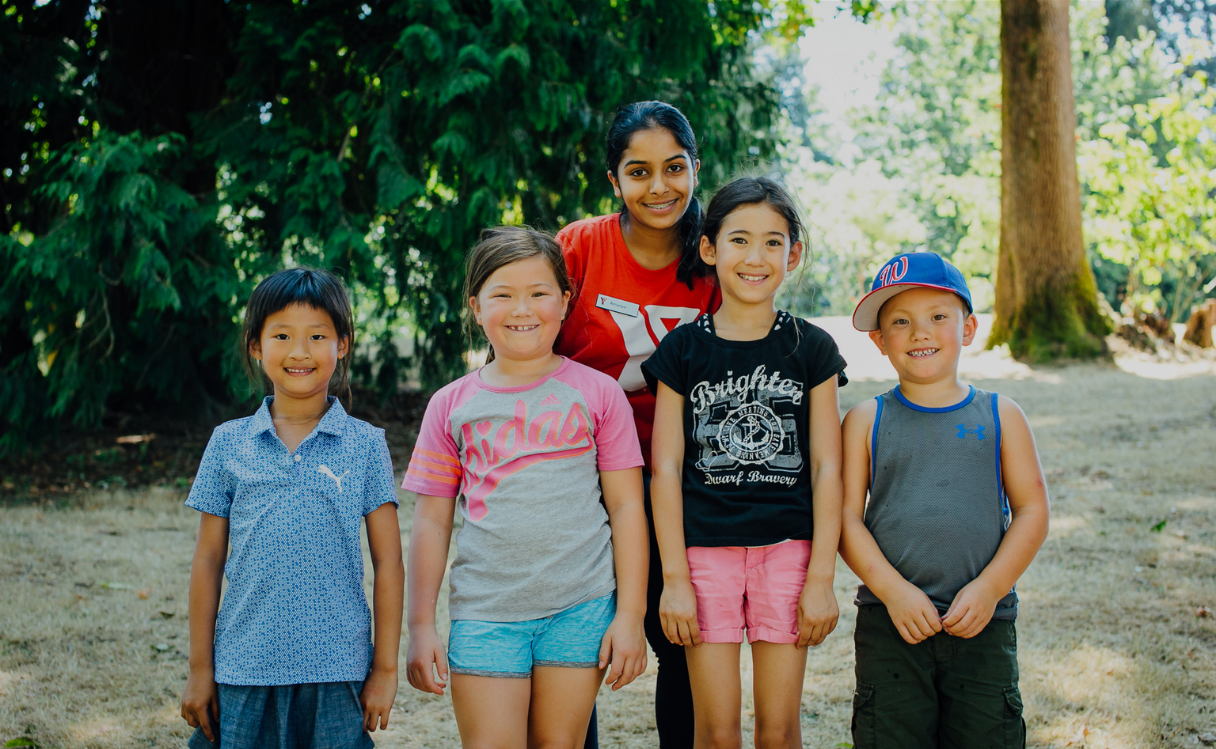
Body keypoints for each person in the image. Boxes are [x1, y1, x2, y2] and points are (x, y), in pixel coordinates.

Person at [403, 226, 650, 749]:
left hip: (580, 606)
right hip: (486, 611)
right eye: (503, 294)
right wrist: (420, 625)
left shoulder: (599, 394)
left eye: (539, 293)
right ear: (475, 305)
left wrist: (630, 615)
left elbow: (628, 508)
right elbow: (430, 519)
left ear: (565, 301)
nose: (523, 308)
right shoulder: (451, 405)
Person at [642, 176, 847, 749]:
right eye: (739, 240)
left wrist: (822, 578)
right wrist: (675, 579)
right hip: (705, 556)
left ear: (793, 254)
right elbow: (665, 471)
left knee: (779, 731)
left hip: (789, 553)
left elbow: (829, 468)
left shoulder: (813, 349)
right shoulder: (682, 351)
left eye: (773, 242)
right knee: (715, 730)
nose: (755, 257)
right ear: (709, 249)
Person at [180, 268, 404, 749]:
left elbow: (389, 563)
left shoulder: (365, 445)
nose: (299, 351)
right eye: (281, 335)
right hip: (244, 662)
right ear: (256, 346)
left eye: (317, 336)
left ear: (341, 345)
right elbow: (207, 560)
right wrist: (201, 669)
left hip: (337, 667)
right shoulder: (228, 443)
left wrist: (384, 669)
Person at [554, 100, 720, 748]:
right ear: (613, 180)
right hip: (581, 477)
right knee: (579, 637)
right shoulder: (579, 246)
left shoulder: (713, 254)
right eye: (640, 171)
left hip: (681, 479)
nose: (659, 187)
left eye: (674, 167)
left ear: (695, 168)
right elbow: (523, 354)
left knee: (681, 635)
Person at [839, 252, 1051, 748]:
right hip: (891, 624)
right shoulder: (866, 420)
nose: (920, 333)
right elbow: (846, 519)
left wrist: (990, 588)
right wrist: (894, 592)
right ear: (879, 341)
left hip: (982, 620)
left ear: (969, 327)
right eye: (900, 322)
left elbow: (1032, 511)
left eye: (938, 317)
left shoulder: (1002, 414)